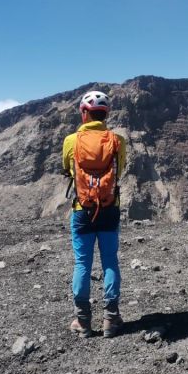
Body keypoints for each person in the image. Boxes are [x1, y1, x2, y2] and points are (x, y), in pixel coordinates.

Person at [62, 90, 127, 338]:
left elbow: (67, 170)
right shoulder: (118, 140)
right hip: (109, 209)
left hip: (82, 209)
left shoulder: (71, 141)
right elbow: (119, 170)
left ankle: (83, 321)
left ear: (83, 112)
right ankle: (111, 318)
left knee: (82, 263)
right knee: (110, 260)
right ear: (106, 114)